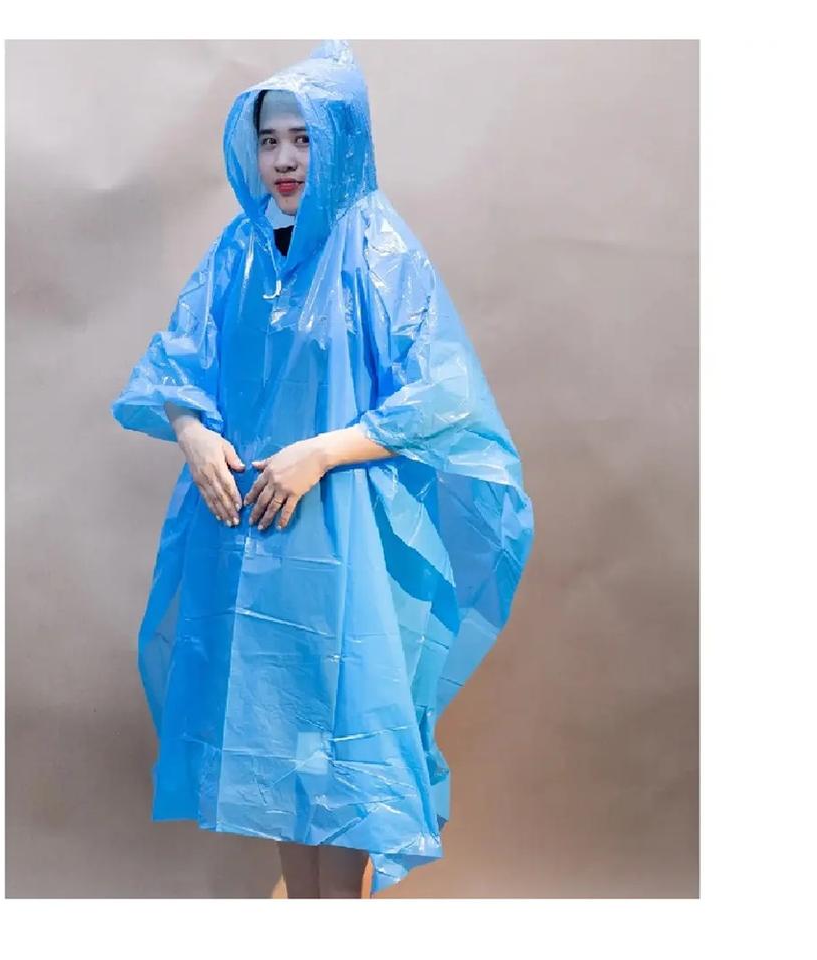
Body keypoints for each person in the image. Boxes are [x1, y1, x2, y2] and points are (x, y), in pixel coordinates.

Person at [110, 40, 535, 899]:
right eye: (269, 140)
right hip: (247, 535)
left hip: (343, 540)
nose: (284, 158)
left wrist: (322, 451)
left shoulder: (379, 250)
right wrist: (192, 433)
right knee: (274, 734)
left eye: (303, 137)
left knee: (341, 740)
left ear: (342, 139)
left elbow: (439, 392)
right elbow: (178, 360)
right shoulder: (240, 248)